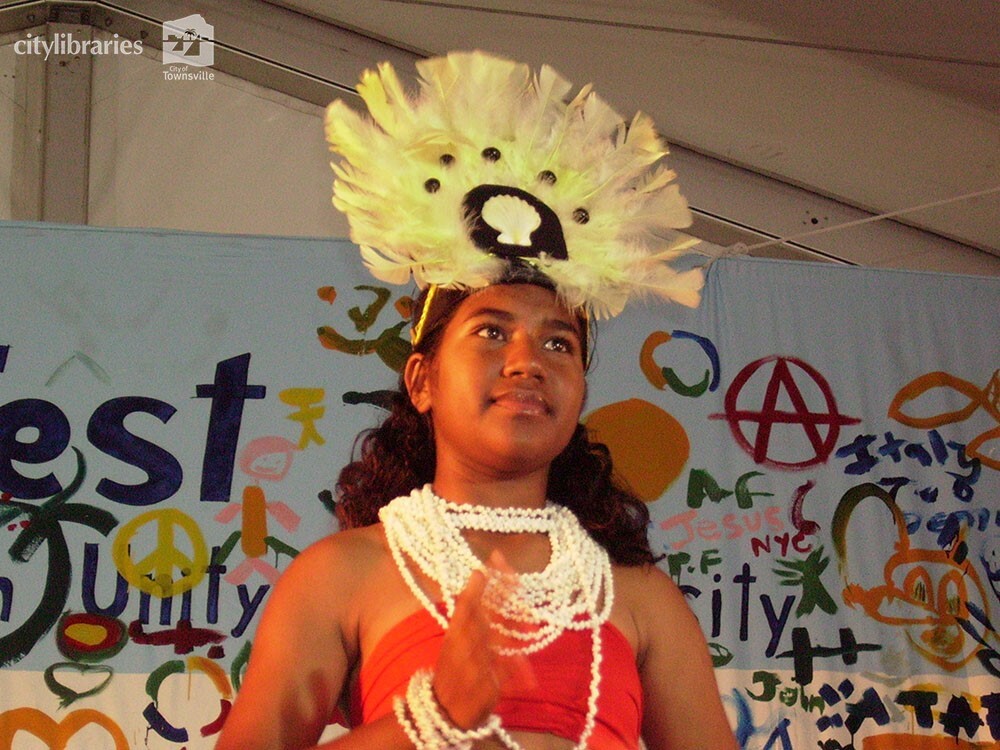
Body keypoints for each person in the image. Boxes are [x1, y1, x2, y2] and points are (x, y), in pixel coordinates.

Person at [216, 51, 737, 750]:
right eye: (492, 331)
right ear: (422, 380)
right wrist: (429, 719)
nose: (527, 361)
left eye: (559, 345)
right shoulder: (343, 574)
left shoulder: (638, 595)